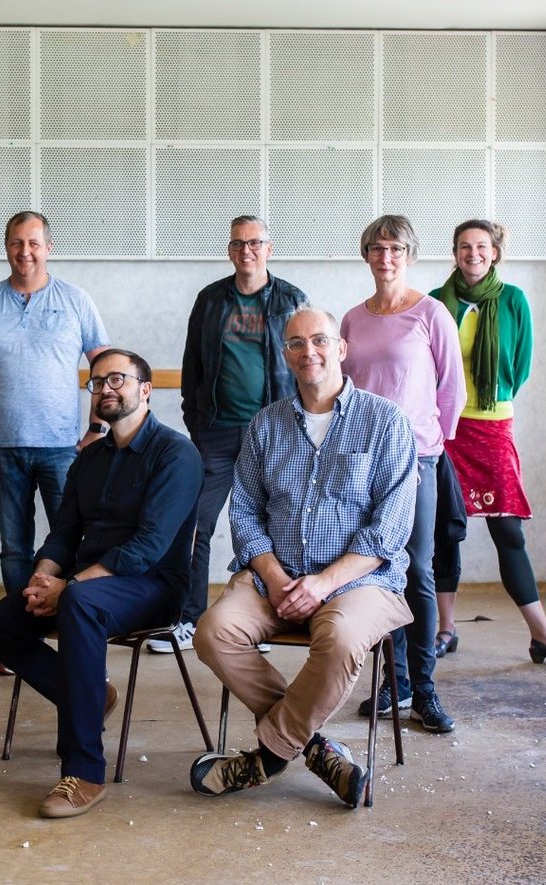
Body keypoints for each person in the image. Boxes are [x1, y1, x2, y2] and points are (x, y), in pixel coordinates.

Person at [190, 306, 418, 808]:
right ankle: (314, 749)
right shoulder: (265, 425)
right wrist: (273, 577)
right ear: (284, 354)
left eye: (319, 340)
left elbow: (391, 529)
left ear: (341, 348)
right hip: (276, 578)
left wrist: (321, 584)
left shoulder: (386, 422)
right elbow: (245, 511)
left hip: (362, 581)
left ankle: (269, 756)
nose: (307, 351)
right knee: (212, 632)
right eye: (295, 343)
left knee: (338, 640)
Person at [0, 348, 200, 818]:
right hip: (85, 585)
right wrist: (44, 578)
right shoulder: (90, 459)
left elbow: (148, 546)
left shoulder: (176, 454)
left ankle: (84, 772)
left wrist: (69, 587)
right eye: (97, 382)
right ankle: (92, 696)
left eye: (117, 379)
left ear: (145, 388)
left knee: (78, 604)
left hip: (153, 586)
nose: (105, 389)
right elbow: (63, 533)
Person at [0, 211, 111, 672]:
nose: (26, 252)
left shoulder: (76, 300)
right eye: (17, 243)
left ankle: (68, 627)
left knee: (72, 543)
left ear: (49, 247)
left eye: (34, 243)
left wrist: (96, 430)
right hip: (3, 447)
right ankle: (20, 637)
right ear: (6, 246)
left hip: (64, 447)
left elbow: (105, 368)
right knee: (15, 546)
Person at [429, 219, 546, 668]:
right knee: (446, 530)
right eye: (464, 246)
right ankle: (446, 630)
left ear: (495, 252)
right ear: (455, 252)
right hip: (446, 430)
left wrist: (488, 398)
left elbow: (519, 367)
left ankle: (543, 636)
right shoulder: (435, 303)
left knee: (508, 532)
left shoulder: (513, 300)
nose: (473, 253)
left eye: (481, 246)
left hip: (492, 426)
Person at [156, 215, 307, 655]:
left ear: (269, 248)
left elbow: (307, 363)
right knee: (195, 524)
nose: (247, 251)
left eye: (255, 243)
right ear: (229, 249)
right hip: (217, 433)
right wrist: (196, 421)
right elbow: (193, 365)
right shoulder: (210, 300)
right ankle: (186, 619)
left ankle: (265, 619)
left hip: (275, 432)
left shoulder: (291, 300)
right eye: (239, 243)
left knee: (276, 528)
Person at [337, 215, 464, 733]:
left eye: (395, 249)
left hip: (416, 459)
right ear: (366, 255)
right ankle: (397, 680)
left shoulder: (432, 314)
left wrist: (429, 447)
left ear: (409, 255)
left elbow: (451, 391)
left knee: (417, 571)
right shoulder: (351, 319)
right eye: (376, 248)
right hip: (362, 462)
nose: (385, 257)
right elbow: (340, 391)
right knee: (372, 570)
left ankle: (425, 690)